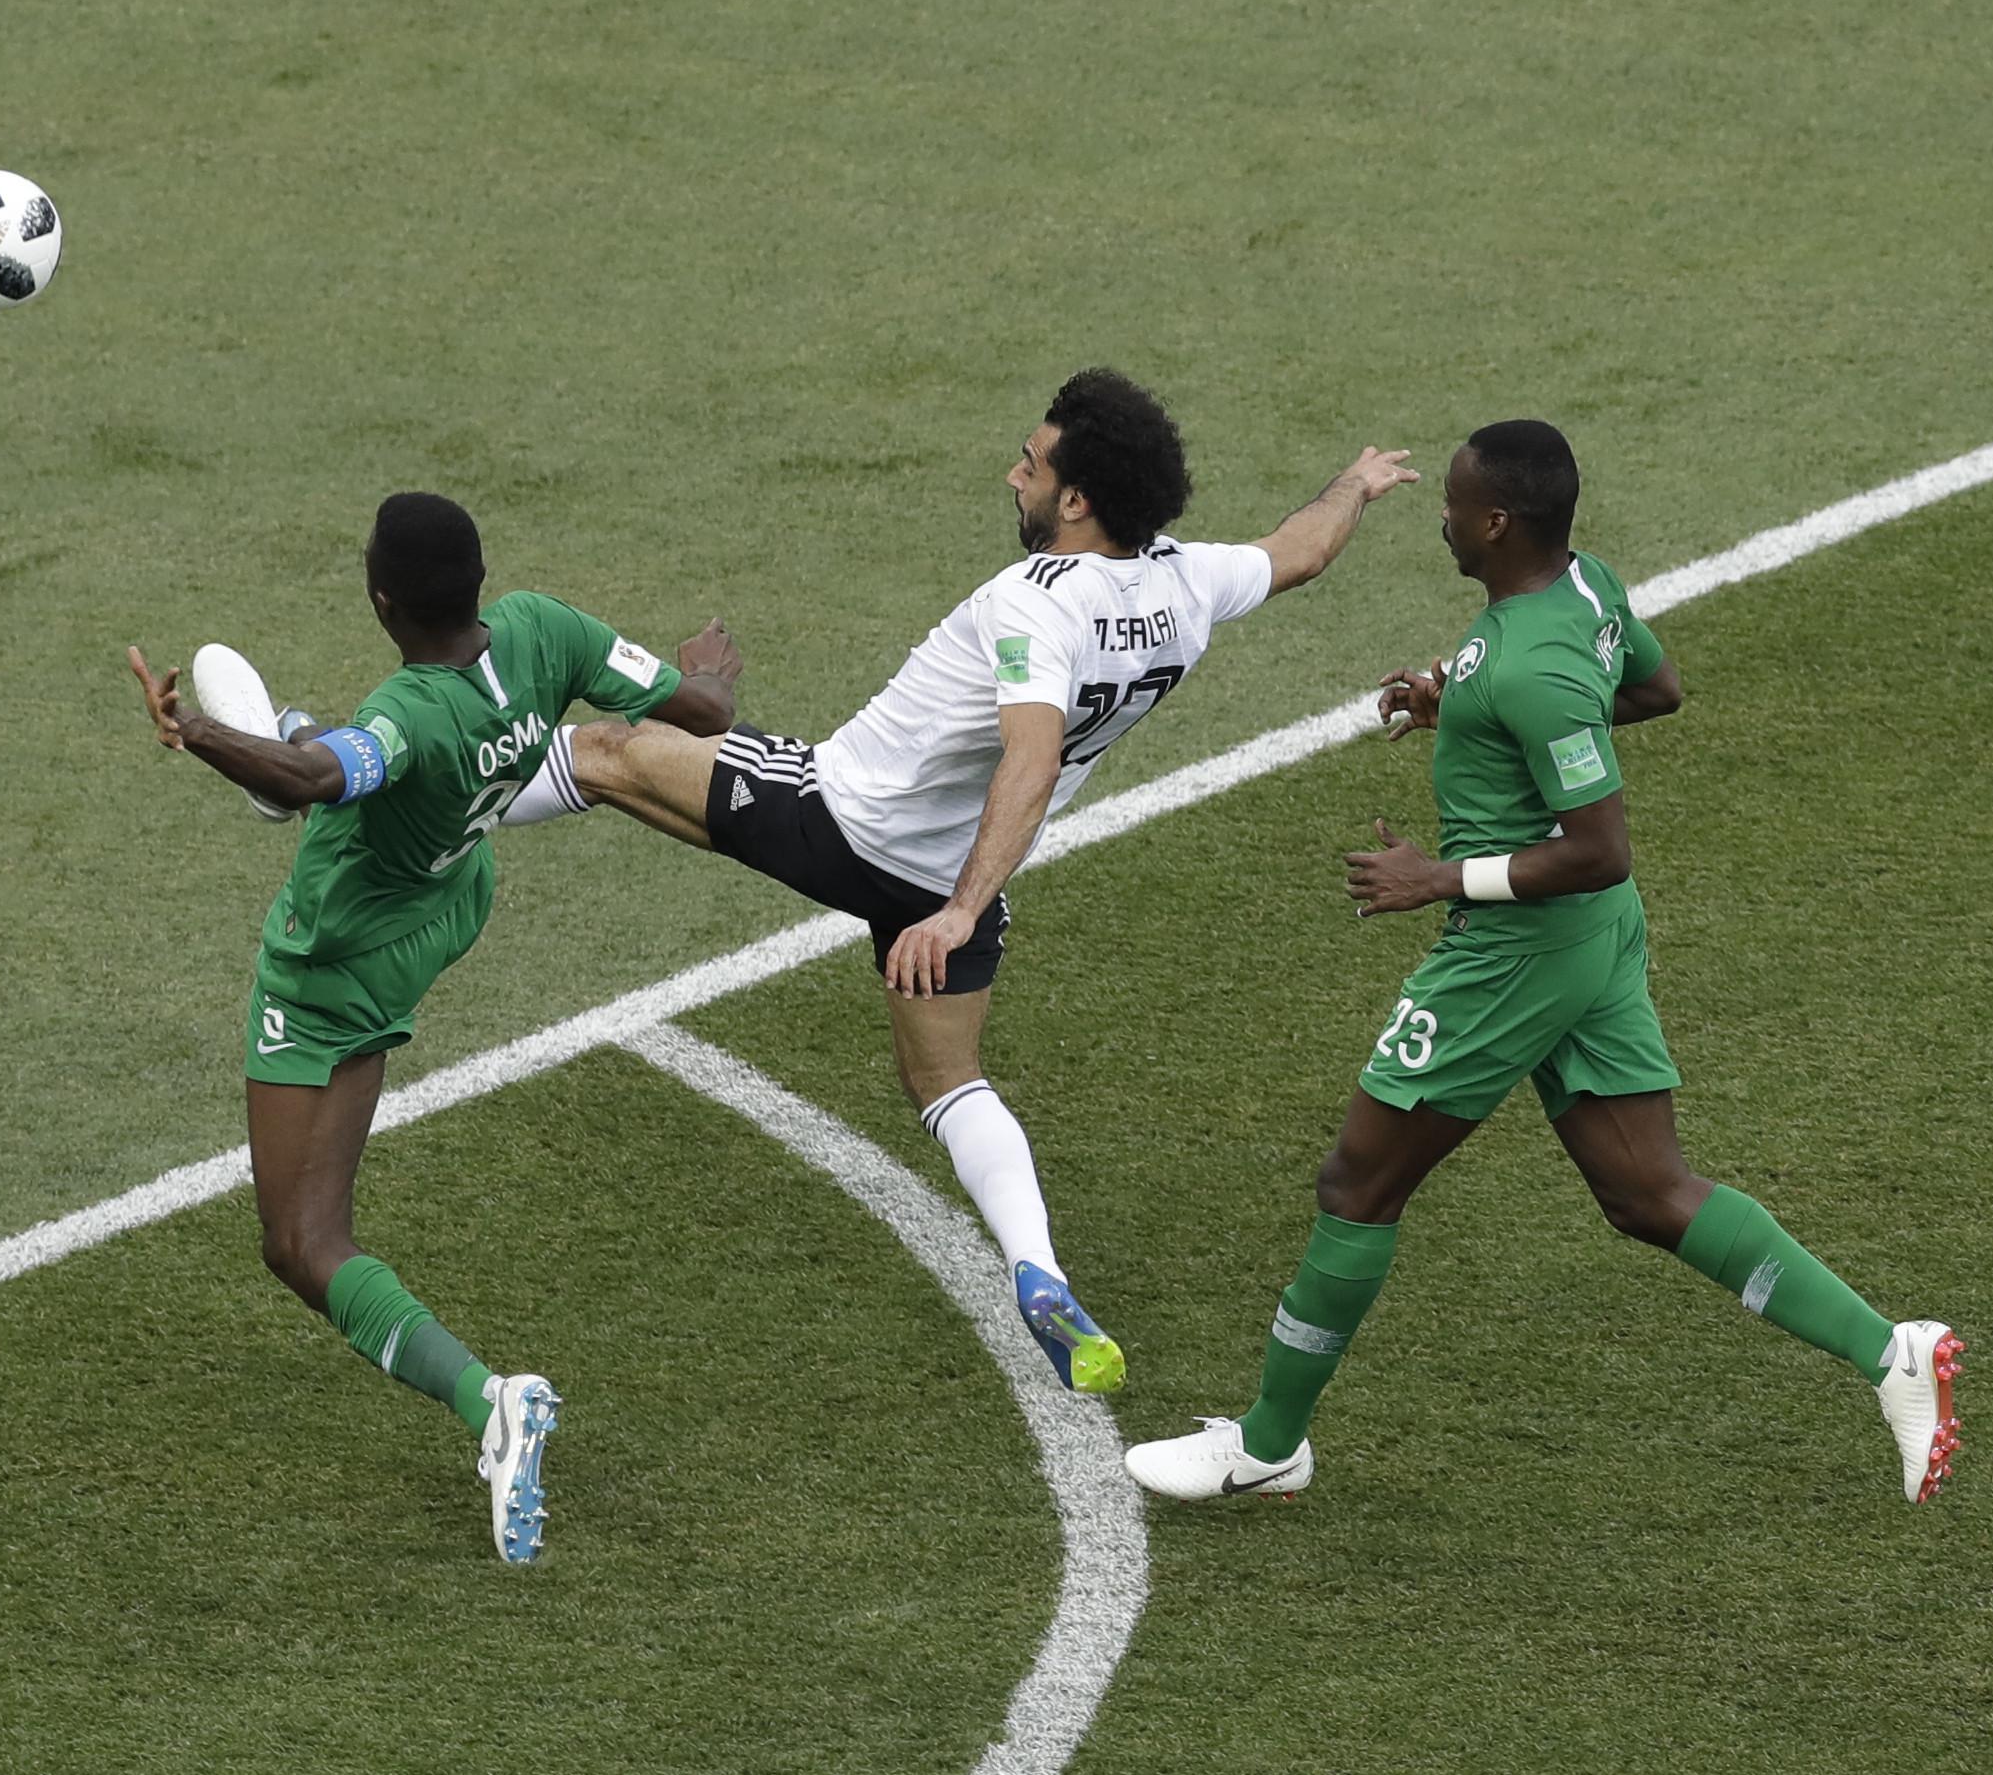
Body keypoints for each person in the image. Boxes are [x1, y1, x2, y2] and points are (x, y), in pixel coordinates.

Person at [516, 370, 1418, 1394]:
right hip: (953, 879)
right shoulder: (1179, 583)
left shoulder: (1029, 604)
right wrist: (1352, 483)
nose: (1012, 473)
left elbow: (1027, 758)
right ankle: (1039, 1270)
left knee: (606, 750)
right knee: (946, 1081)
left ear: (1074, 499)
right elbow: (1297, 549)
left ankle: (369, 780)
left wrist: (950, 911)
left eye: (1030, 464)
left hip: (843, 820)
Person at [1123, 420, 1960, 1503]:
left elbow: (1594, 843)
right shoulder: (1578, 589)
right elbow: (1654, 690)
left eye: (1453, 503)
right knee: (1645, 1190)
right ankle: (1890, 1351)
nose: (1441, 517)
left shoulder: (1529, 664)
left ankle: (1268, 1441)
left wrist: (1439, 877)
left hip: (1514, 951)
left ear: (1493, 521)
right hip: (1590, 939)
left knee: (1357, 1181)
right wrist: (1453, 699)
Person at [130, 490, 737, 1563]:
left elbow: (323, 778)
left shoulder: (406, 714)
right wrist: (707, 674)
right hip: (439, 911)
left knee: (301, 1242)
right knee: (352, 763)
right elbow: (695, 710)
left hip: (332, 961)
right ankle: (487, 1402)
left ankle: (489, 1399)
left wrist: (198, 733)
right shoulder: (545, 628)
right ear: (479, 579)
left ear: (379, 600)